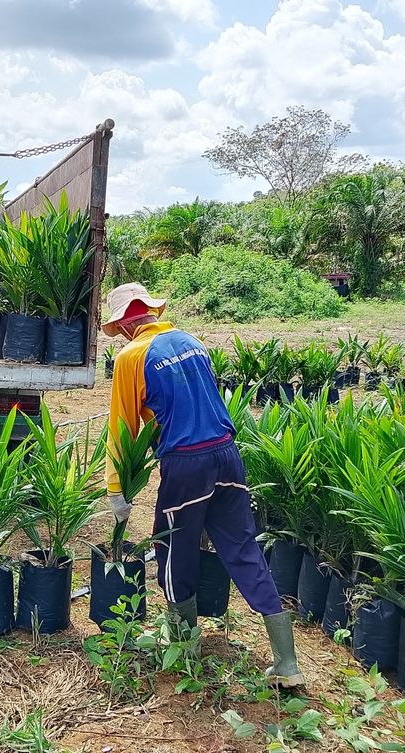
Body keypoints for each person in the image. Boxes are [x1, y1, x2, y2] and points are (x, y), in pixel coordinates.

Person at [103, 282, 304, 688]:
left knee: (173, 547)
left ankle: (185, 648)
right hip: (227, 453)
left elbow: (123, 425)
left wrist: (115, 487)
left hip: (186, 463)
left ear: (124, 325)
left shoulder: (131, 356)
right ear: (153, 313)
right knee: (244, 549)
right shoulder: (194, 342)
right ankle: (287, 662)